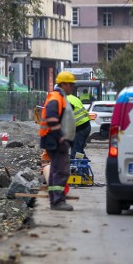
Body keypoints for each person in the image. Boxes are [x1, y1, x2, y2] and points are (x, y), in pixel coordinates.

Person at [39, 71, 76, 211]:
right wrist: (60, 137)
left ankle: (55, 200)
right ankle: (58, 201)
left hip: (52, 139)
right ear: (63, 84)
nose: (72, 87)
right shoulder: (56, 98)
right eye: (71, 85)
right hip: (54, 139)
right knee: (61, 170)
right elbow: (52, 118)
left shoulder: (59, 97)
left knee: (56, 169)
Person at [67, 90, 91, 158]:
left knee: (75, 151)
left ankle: (77, 165)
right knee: (79, 150)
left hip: (80, 128)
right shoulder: (73, 98)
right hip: (86, 126)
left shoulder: (65, 99)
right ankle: (84, 164)